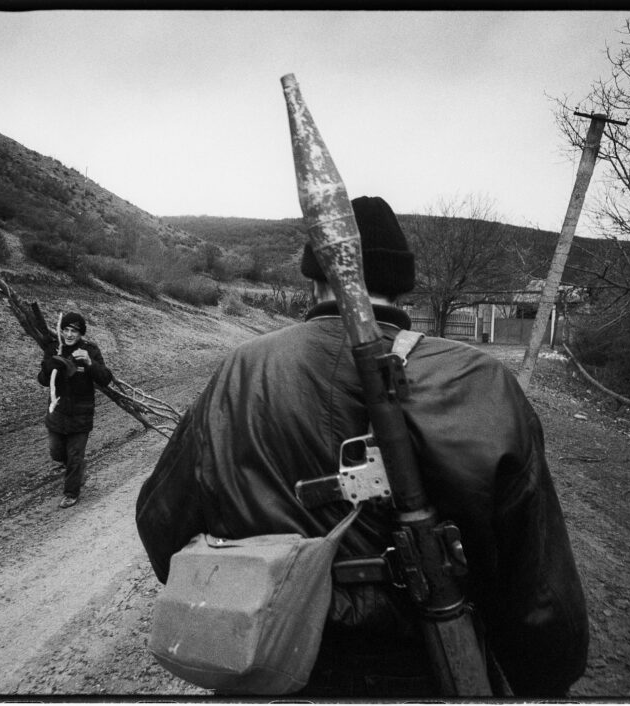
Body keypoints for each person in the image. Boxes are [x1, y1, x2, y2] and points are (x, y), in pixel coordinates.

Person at [135, 196, 589, 697]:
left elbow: (161, 526)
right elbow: (539, 588)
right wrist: (542, 679)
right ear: (402, 286)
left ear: (314, 280)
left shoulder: (239, 371)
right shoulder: (479, 380)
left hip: (266, 670)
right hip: (427, 671)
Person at [37, 311, 113, 508]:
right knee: (56, 452)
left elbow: (105, 378)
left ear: (81, 334)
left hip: (81, 415)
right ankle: (77, 468)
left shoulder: (90, 350)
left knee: (75, 456)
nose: (69, 335)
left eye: (74, 331)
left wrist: (90, 363)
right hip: (57, 413)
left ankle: (71, 492)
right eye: (66, 330)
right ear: (61, 331)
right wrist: (49, 366)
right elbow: (42, 380)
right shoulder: (54, 348)